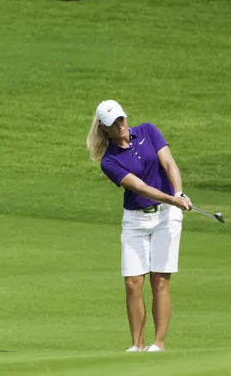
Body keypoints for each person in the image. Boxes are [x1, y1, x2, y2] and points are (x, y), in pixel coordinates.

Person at [86, 100, 192, 353]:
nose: (121, 125)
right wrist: (173, 199)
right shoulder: (109, 162)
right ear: (104, 128)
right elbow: (141, 188)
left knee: (160, 280)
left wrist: (178, 192)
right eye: (114, 123)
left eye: (122, 119)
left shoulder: (148, 131)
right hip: (135, 220)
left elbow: (169, 164)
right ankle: (137, 346)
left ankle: (158, 344)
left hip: (166, 218)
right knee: (133, 282)